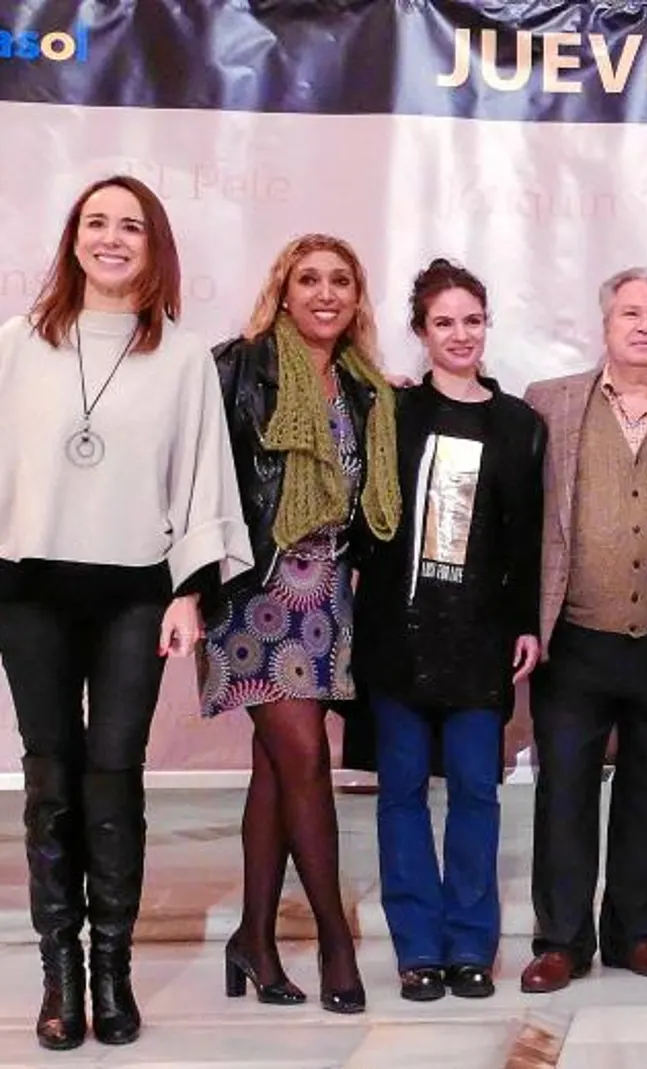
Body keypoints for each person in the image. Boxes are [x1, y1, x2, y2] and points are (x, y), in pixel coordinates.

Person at [0, 175, 250, 1050]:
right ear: (73, 239)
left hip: (135, 593)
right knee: (50, 783)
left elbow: (200, 476)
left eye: (131, 226)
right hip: (29, 591)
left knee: (114, 779)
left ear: (154, 247)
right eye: (96, 223)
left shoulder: (180, 356)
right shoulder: (15, 346)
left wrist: (189, 590)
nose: (112, 238)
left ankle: (113, 970)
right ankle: (58, 973)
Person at [205, 233, 403, 1015]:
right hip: (252, 590)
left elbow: (371, 502)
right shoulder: (239, 365)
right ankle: (335, 939)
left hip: (324, 596)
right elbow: (199, 474)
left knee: (276, 771)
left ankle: (252, 939)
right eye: (309, 279)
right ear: (283, 291)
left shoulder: (365, 390)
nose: (325, 293)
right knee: (306, 762)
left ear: (357, 299)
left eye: (341, 281)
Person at [352, 259, 546, 1002]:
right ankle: (417, 948)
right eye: (444, 322)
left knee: (476, 791)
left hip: (479, 637)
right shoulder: (392, 412)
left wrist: (525, 622)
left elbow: (526, 535)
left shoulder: (518, 422)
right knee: (400, 791)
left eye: (472, 320)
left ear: (487, 324)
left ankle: (471, 945)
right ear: (421, 332)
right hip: (397, 633)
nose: (461, 334)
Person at [516, 267, 647, 994]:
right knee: (563, 791)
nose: (646, 325)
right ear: (606, 324)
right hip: (575, 638)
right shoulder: (549, 404)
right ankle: (561, 938)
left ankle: (636, 931)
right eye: (632, 312)